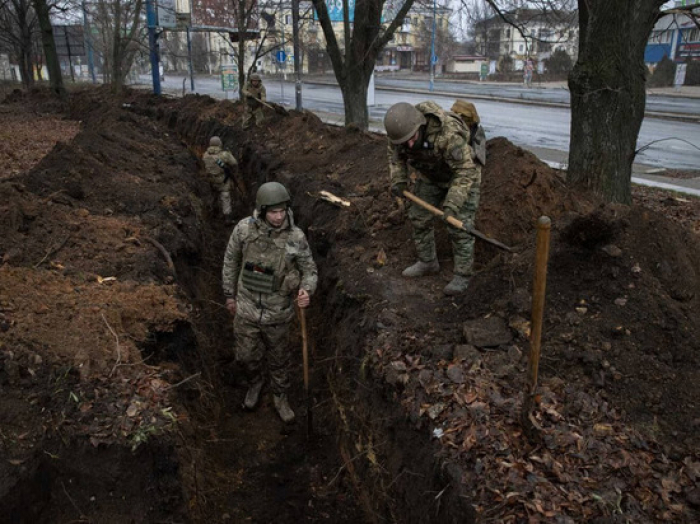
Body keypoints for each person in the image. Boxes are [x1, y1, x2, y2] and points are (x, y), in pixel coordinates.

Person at [222, 182, 317, 423]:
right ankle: (255, 383)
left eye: (282, 211)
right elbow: (231, 261)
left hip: (278, 311)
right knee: (245, 356)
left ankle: (280, 395)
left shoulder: (296, 237)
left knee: (279, 358)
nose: (278, 217)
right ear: (263, 210)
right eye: (273, 212)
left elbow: (310, 270)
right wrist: (229, 295)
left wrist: (307, 289)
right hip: (247, 306)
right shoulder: (244, 230)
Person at [384, 100, 485, 296]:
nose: (410, 145)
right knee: (419, 216)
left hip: (463, 175)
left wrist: (452, 205)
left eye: (413, 138)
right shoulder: (399, 135)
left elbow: (465, 171)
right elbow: (395, 158)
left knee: (458, 226)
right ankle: (428, 262)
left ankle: (463, 275)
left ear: (420, 126)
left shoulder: (448, 134)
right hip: (432, 174)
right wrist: (399, 181)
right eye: (405, 143)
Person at [202, 136, 238, 224]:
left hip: (210, 179)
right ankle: (227, 218)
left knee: (214, 194)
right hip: (222, 179)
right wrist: (229, 154)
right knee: (225, 196)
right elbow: (234, 163)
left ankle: (213, 213)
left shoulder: (205, 155)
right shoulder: (224, 154)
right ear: (219, 144)